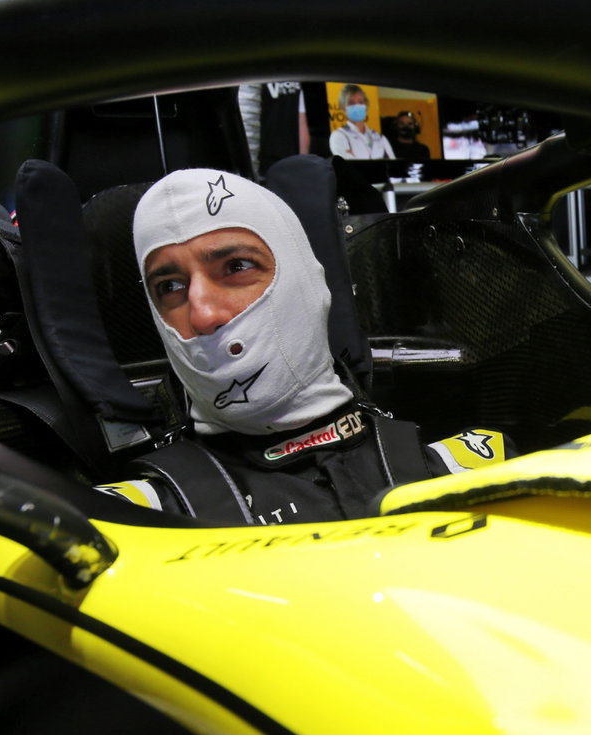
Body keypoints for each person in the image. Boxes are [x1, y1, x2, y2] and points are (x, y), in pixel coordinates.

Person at [116, 168, 502, 524]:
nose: (202, 314)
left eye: (236, 267)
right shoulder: (129, 519)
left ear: (302, 277)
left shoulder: (470, 469)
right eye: (170, 286)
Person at [328, 85, 394, 161]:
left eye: (360, 102)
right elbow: (347, 165)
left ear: (366, 105)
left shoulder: (380, 138)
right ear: (343, 107)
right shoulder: (339, 135)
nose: (357, 106)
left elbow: (394, 164)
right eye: (351, 103)